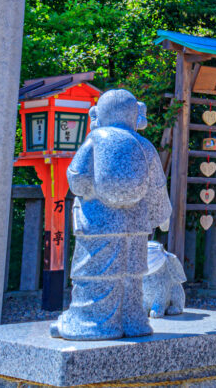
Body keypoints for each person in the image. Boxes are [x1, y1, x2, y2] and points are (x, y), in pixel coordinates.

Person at [50, 89, 170, 340]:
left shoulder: (95, 139)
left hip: (97, 221)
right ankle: (134, 321)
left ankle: (91, 322)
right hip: (136, 225)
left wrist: (92, 191)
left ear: (100, 114)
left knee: (94, 272)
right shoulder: (145, 146)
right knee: (132, 274)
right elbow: (158, 188)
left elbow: (77, 179)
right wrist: (159, 215)